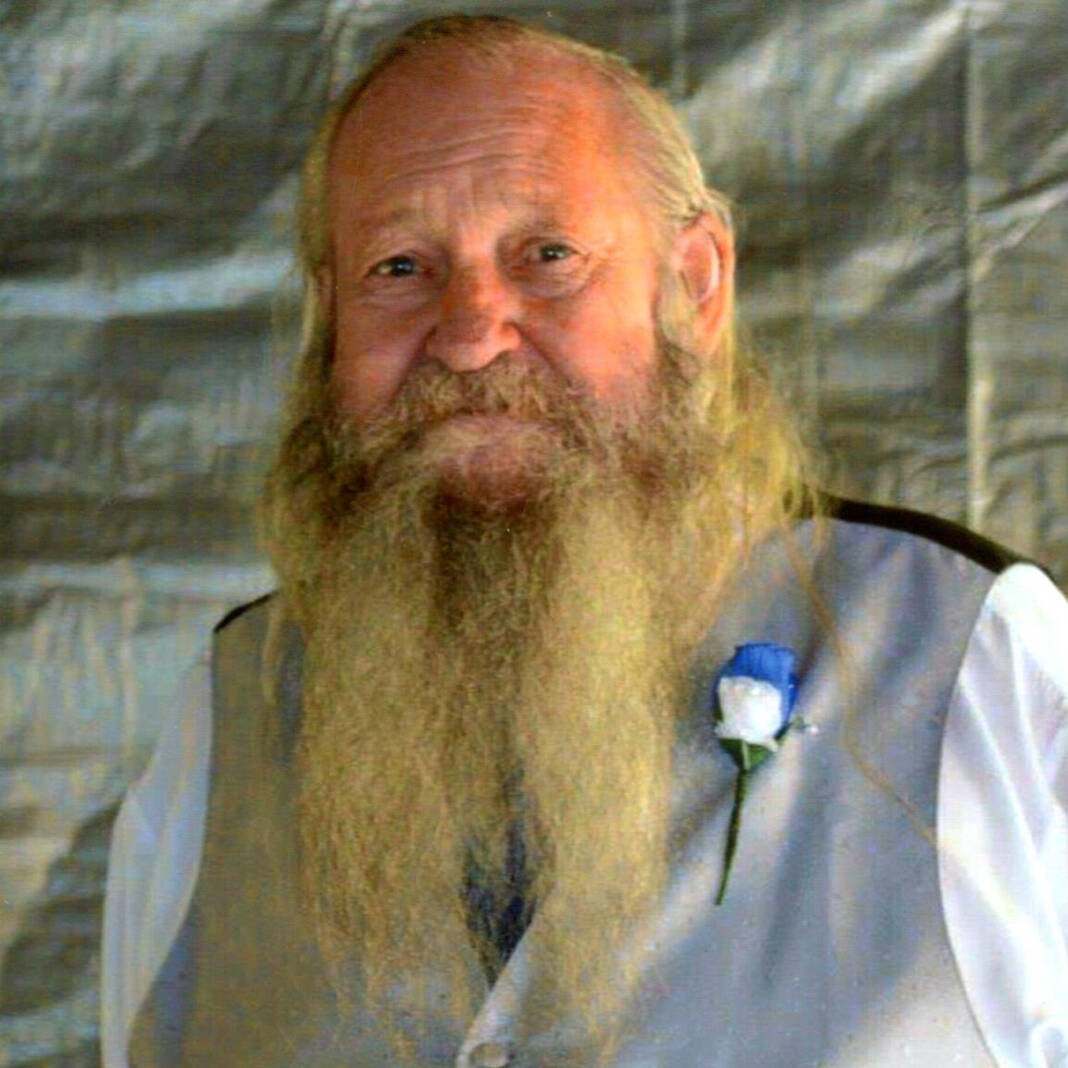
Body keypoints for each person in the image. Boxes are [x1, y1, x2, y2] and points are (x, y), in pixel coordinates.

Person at [101, 14, 1068, 1067]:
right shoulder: (229, 712)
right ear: (330, 314)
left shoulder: (971, 656)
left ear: (693, 282)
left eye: (548, 255)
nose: (471, 335)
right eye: (399, 266)